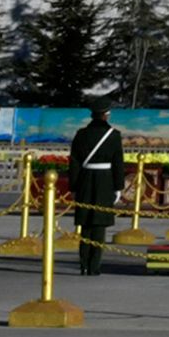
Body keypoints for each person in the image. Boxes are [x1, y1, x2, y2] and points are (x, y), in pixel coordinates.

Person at [67, 104, 125, 274]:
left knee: (85, 225)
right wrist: (118, 186)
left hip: (85, 179)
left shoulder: (81, 134)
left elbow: (74, 162)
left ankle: (83, 263)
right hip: (105, 181)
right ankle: (94, 266)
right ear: (106, 115)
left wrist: (74, 186)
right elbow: (118, 163)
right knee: (99, 226)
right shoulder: (113, 135)